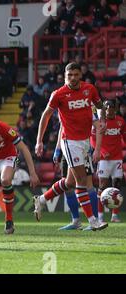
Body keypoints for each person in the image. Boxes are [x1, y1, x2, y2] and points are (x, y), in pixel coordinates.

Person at [34, 62, 108, 231]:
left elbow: (100, 106)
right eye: (69, 75)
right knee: (82, 181)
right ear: (65, 76)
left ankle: (42, 200)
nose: (73, 78)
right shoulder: (58, 94)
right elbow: (45, 116)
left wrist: (102, 119)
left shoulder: (89, 89)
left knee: (69, 182)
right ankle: (93, 221)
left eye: (76, 75)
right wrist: (39, 141)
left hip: (85, 142)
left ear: (80, 75)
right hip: (70, 142)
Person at [53, 108, 102, 231]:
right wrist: (58, 149)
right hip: (66, 147)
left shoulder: (87, 102)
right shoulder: (63, 101)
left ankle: (95, 221)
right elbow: (61, 128)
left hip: (81, 147)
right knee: (68, 185)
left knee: (88, 184)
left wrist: (95, 148)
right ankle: (75, 221)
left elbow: (96, 125)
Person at [95, 100, 126, 223]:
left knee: (116, 186)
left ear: (115, 109)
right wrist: (102, 152)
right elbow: (93, 139)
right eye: (107, 108)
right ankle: (100, 216)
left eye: (111, 107)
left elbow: (124, 136)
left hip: (117, 158)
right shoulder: (100, 122)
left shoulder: (121, 121)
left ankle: (114, 216)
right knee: (102, 186)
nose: (109, 109)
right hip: (104, 159)